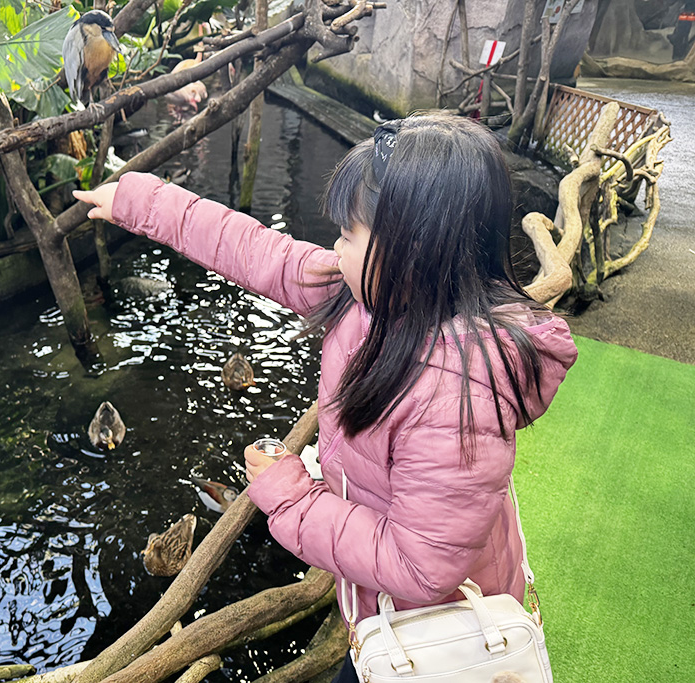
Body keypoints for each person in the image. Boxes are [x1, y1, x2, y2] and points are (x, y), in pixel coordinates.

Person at [75, 113, 577, 680]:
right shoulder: (368, 295)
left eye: (347, 234)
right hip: (379, 614)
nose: (334, 247)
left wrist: (288, 495)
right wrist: (141, 202)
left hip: (440, 637)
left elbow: (419, 565)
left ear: (413, 249)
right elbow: (256, 250)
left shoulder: (454, 394)